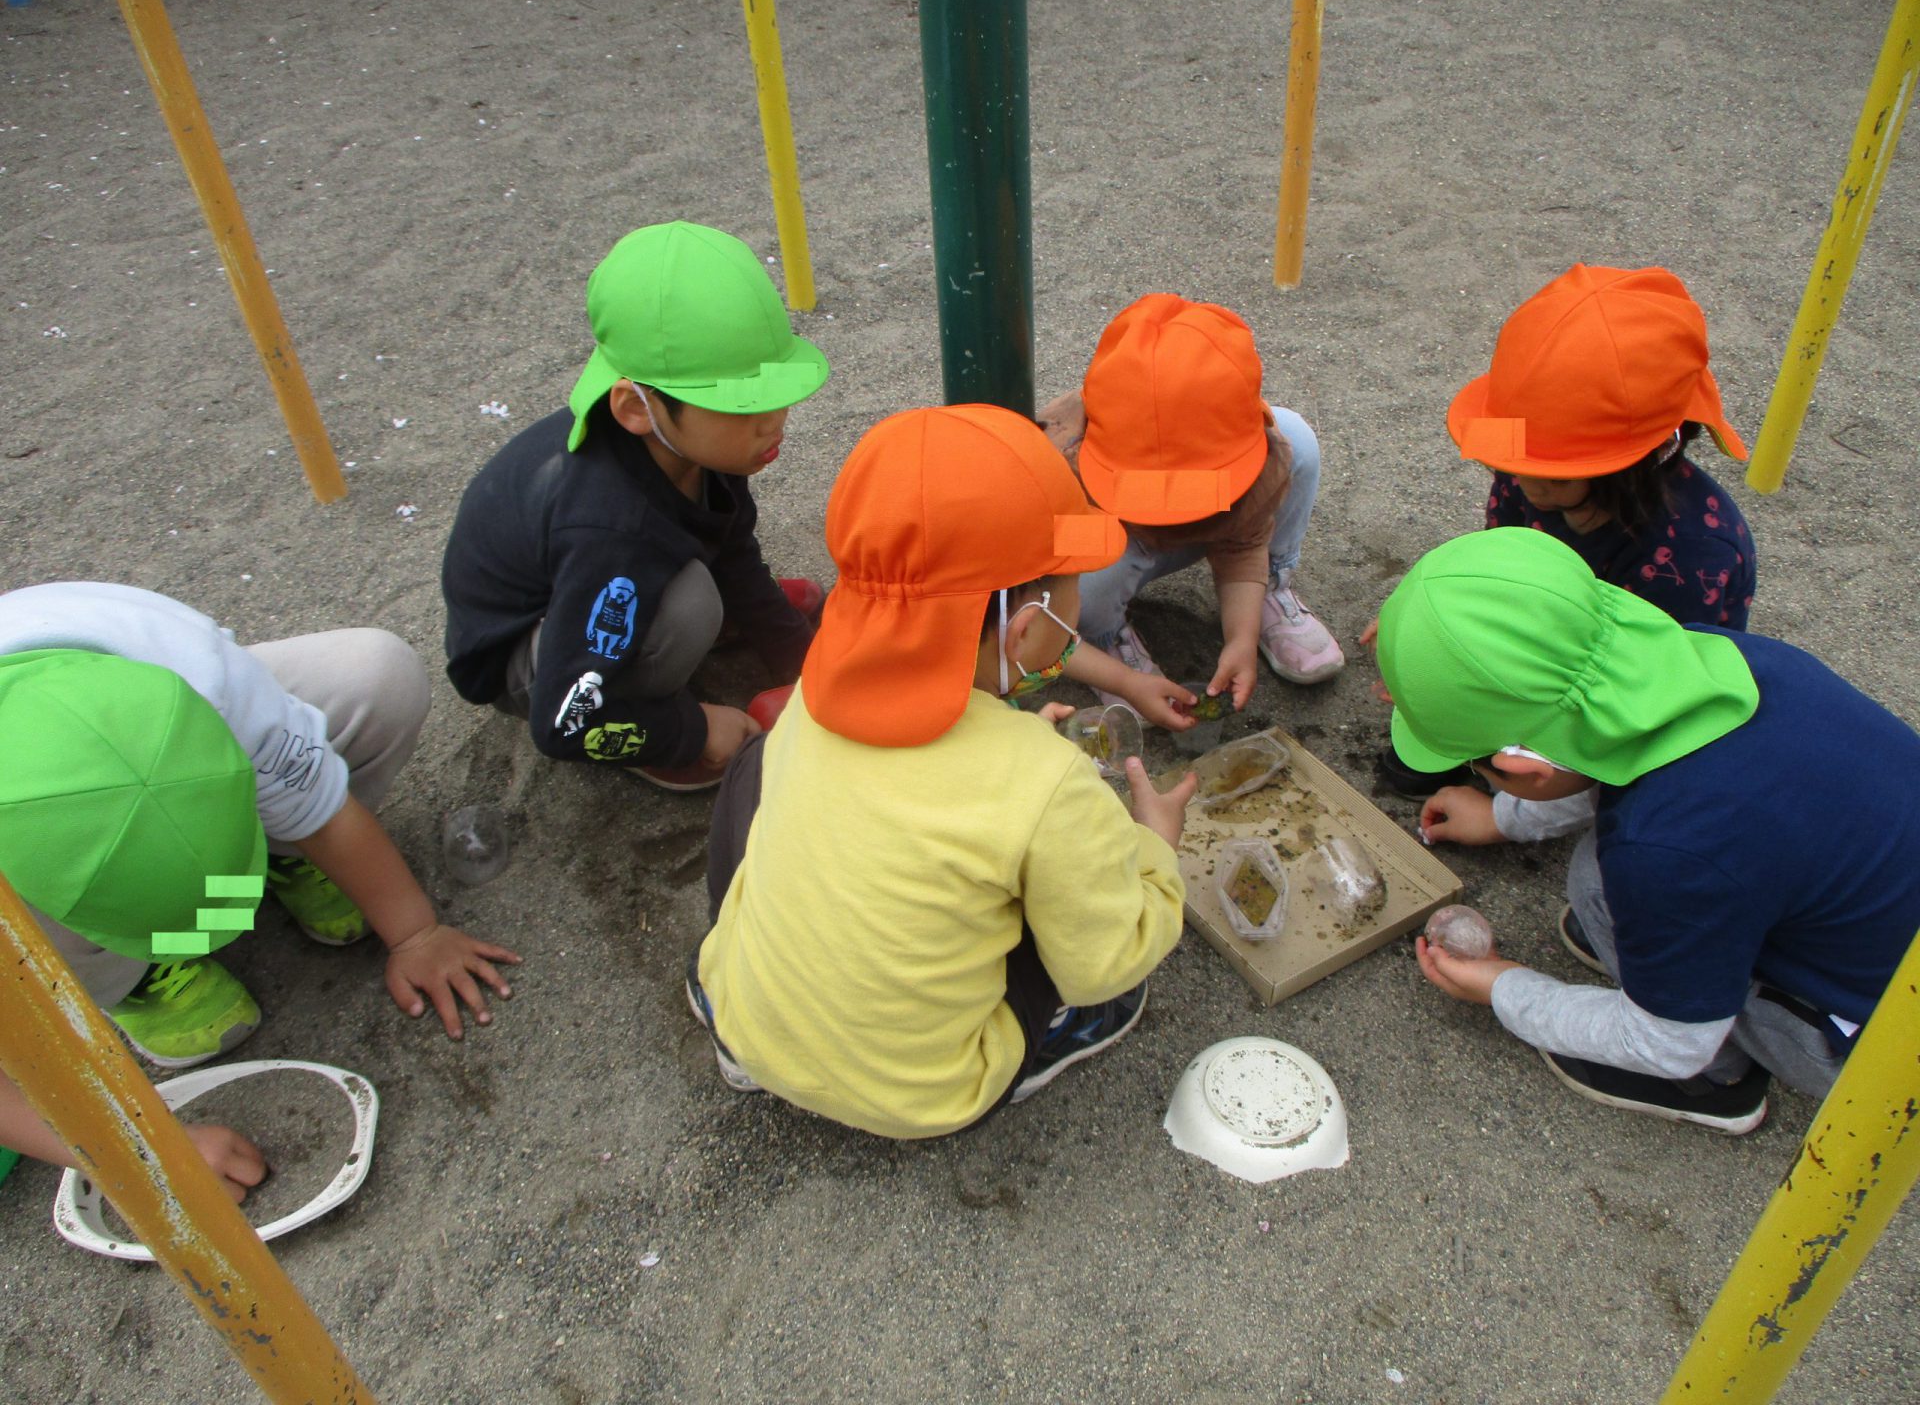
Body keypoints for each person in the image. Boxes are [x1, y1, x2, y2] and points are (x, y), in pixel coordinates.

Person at [688, 405, 1196, 1139]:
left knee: (759, 770)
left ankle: (741, 1019)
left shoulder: (814, 693)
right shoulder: (1046, 781)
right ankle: (1058, 1035)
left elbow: (910, 792)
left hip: (748, 1020)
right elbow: (1104, 961)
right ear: (1025, 630)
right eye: (1074, 588)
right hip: (923, 1095)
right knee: (1063, 912)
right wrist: (1156, 852)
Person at [1377, 529, 1920, 1135]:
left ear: (1522, 770)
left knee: (1609, 886)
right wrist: (1503, 817)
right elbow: (1599, 750)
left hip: (1882, 1039)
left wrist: (1506, 990)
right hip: (1869, 918)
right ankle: (1677, 961)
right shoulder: (1714, 656)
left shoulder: (1667, 855)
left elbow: (1669, 1041)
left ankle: (1718, 1080)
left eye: (1482, 771)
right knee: (1614, 875)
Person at [0, 599, 518, 1198]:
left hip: (174, 712)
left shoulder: (198, 679)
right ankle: (130, 974)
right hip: (31, 890)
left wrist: (415, 933)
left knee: (379, 677)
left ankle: (282, 851)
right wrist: (144, 1152)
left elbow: (312, 793)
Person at [441, 221, 830, 792]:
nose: (773, 422)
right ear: (635, 407)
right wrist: (690, 731)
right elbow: (562, 723)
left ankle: (716, 626)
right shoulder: (610, 530)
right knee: (689, 605)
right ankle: (641, 717)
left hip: (586, 584)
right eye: (741, 405)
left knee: (709, 585)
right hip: (530, 659)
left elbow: (730, 545)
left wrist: (797, 655)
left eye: (775, 395)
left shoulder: (698, 448)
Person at [1374, 264, 1758, 806]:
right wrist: (1432, 631)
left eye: (1554, 475)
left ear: (1638, 463)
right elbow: (1502, 577)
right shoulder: (1528, 474)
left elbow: (1647, 700)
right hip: (1551, 637)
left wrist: (1511, 816)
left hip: (1621, 680)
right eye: (1516, 463)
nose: (1525, 484)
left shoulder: (1694, 555)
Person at [1037, 293, 1344, 732]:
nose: (1176, 514)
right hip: (1112, 538)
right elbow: (1029, 617)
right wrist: (1122, 681)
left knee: (1298, 440)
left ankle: (1271, 589)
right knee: (1090, 574)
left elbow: (1242, 541)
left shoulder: (1258, 459)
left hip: (1167, 526)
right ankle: (1103, 637)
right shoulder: (1058, 473)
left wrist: (1241, 637)